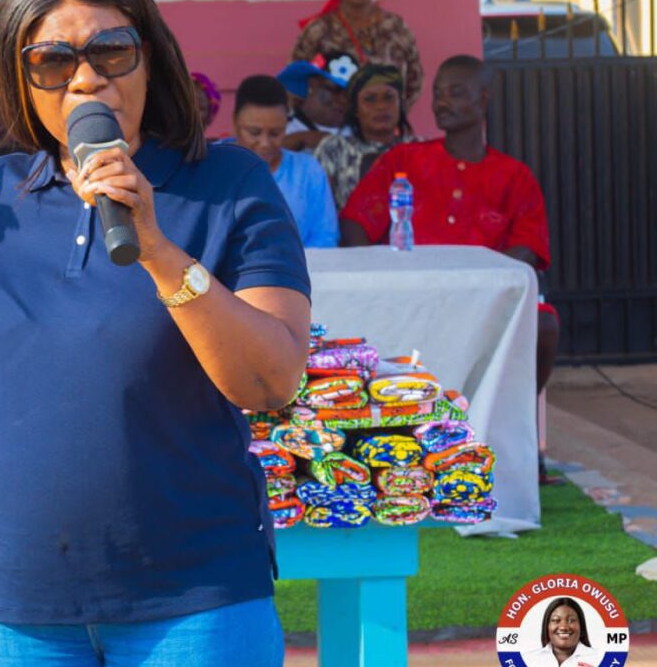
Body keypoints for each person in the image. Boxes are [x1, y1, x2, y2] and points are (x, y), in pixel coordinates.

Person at [0, 0, 311, 664]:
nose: (87, 77)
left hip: (194, 601)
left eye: (110, 51)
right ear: (21, 83)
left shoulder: (229, 183)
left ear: (150, 57)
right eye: (52, 61)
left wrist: (155, 247)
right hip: (11, 606)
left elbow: (272, 381)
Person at [340, 55, 561, 475]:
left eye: (455, 92)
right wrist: (375, 272)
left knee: (545, 324)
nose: (442, 102)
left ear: (483, 100)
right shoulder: (403, 161)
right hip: (406, 297)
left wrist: (476, 284)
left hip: (486, 304)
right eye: (438, 93)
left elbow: (526, 253)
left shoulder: (514, 176)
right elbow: (355, 221)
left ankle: (513, 432)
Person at [291, 0, 423, 109]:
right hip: (335, 129)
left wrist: (392, 115)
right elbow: (295, 82)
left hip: (386, 128)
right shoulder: (319, 30)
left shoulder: (396, 27)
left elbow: (414, 80)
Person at [232, 75, 338, 247]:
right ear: (235, 123)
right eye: (254, 132)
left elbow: (325, 238)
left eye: (275, 133)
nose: (265, 144)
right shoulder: (214, 167)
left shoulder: (308, 171)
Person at [314, 62, 414, 209]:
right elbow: (319, 211)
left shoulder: (417, 150)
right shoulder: (334, 149)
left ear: (401, 104)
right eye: (370, 99)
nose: (381, 106)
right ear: (355, 109)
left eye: (389, 98)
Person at [278, 51, 357, 152]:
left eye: (350, 94)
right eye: (334, 89)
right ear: (312, 84)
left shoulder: (362, 132)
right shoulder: (278, 129)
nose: (343, 100)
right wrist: (299, 139)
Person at [525, 598, 601, 667]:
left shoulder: (599, 659)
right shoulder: (528, 660)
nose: (563, 627)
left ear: (581, 626)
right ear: (547, 627)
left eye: (571, 620)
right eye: (556, 620)